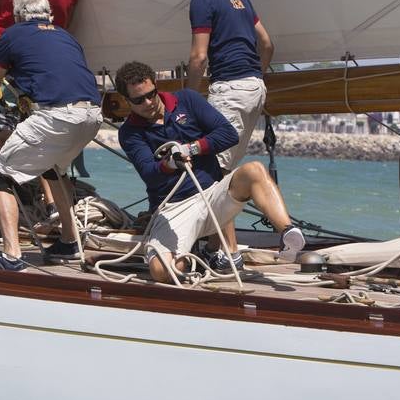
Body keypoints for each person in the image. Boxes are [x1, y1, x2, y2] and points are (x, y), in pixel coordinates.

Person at [116, 60, 304, 284]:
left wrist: (192, 148)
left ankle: (288, 233)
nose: (148, 102)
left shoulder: (187, 100)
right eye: (138, 100)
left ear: (156, 86)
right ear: (127, 101)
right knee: (162, 272)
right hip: (174, 208)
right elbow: (150, 173)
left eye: (151, 94)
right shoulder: (130, 133)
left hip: (212, 196)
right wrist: (171, 164)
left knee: (254, 170)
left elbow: (228, 135)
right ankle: (191, 259)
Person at [0, 0, 102, 271]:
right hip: (92, 115)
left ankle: (11, 255)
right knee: (52, 171)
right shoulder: (66, 36)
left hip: (57, 116)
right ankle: (69, 243)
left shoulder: (12, 36)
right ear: (49, 15)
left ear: (18, 16)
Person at [178, 0, 273, 171]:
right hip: (255, 89)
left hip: (230, 90)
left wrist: (188, 102)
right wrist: (253, 77)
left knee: (210, 166)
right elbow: (267, 43)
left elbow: (199, 57)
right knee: (224, 167)